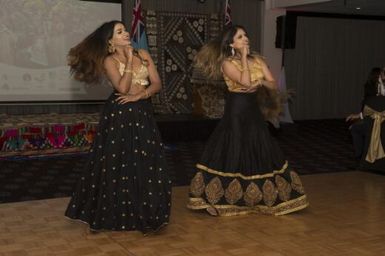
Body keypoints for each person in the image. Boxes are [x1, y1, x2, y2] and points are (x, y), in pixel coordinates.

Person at [187, 25, 308, 216]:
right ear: (232, 43)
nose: (245, 39)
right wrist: (243, 58)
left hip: (253, 110)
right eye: (240, 37)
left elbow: (272, 83)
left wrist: (259, 82)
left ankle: (257, 197)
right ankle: (218, 198)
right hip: (236, 110)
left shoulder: (258, 60)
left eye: (246, 35)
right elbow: (244, 82)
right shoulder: (227, 63)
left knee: (259, 144)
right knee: (234, 146)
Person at [64, 20, 171, 234]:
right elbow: (122, 88)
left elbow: (157, 83)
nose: (125, 33)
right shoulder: (109, 61)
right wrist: (130, 60)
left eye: (125, 30)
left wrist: (141, 95)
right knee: (118, 163)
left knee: (146, 161)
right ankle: (116, 212)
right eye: (119, 32)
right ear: (110, 40)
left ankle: (147, 211)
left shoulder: (144, 55)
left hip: (142, 113)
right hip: (119, 114)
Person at [346, 67, 384, 162]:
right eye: (382, 72)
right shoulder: (373, 91)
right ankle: (361, 155)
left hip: (377, 122)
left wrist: (358, 116)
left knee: (356, 128)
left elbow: (370, 110)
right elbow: (369, 110)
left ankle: (360, 156)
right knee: (356, 127)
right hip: (374, 119)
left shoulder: (376, 90)